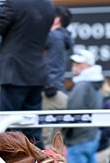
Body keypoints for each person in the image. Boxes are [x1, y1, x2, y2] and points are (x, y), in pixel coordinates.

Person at [0, 0, 55, 150]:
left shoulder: (13, 4)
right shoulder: (48, 5)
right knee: (33, 127)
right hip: (37, 72)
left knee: (8, 126)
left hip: (14, 73)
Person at [62, 49, 104, 163]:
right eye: (74, 63)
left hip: (78, 139)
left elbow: (72, 115)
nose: (74, 66)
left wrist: (65, 138)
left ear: (88, 65)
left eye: (78, 63)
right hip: (91, 137)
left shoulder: (82, 85)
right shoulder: (96, 83)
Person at [42, 5, 74, 148]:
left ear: (57, 19)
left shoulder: (53, 36)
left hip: (50, 95)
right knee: (55, 144)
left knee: (45, 143)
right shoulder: (63, 37)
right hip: (59, 93)